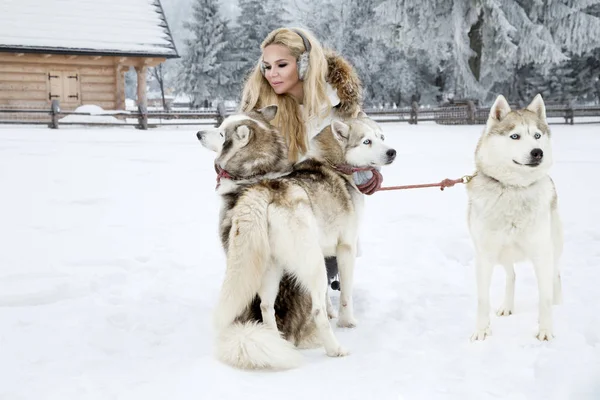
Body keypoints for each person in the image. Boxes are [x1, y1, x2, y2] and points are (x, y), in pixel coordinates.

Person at [239, 27, 384, 288]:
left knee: (302, 290)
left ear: (305, 65)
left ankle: (329, 272)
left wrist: (369, 174)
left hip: (326, 221)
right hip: (278, 220)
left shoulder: (340, 107)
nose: (272, 74)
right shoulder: (262, 108)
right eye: (267, 66)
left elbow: (365, 147)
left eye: (281, 64)